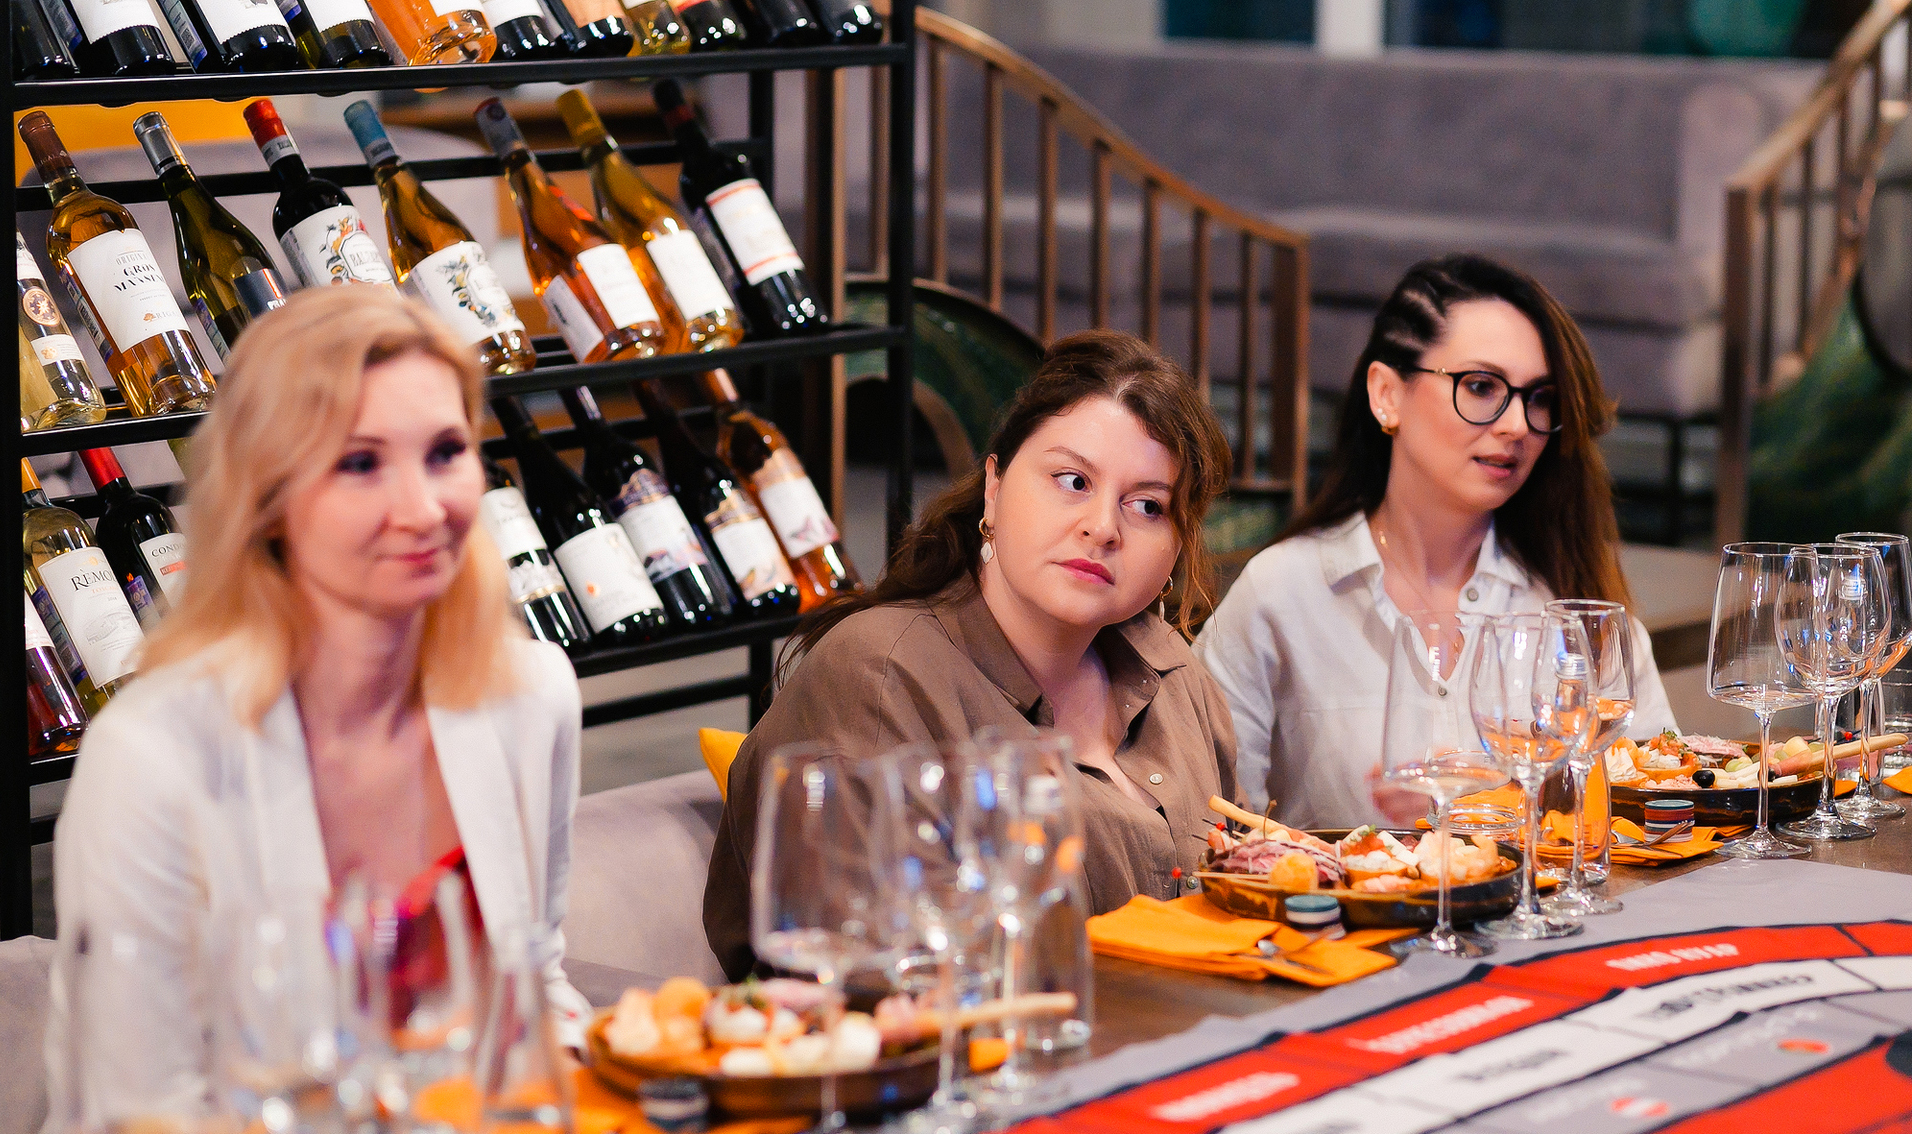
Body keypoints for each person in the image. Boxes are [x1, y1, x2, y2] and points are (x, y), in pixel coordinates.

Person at [45, 288, 590, 1133]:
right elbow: (135, 1118)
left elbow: (535, 984)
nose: (424, 510)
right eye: (360, 463)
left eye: (446, 451)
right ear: (267, 498)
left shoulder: (529, 693)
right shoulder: (151, 757)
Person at [704, 331, 1238, 980]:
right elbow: (874, 977)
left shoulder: (1172, 670)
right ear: (994, 487)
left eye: (1147, 506)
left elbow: (1245, 898)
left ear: (1177, 546)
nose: (1103, 527)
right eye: (1072, 481)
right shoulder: (879, 675)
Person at [1195, 254, 1678, 829]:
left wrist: (1477, 806)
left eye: (1540, 397)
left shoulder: (1572, 599)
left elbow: (1661, 806)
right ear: (1387, 394)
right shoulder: (1283, 591)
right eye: (1481, 386)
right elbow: (1214, 827)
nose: (1517, 425)